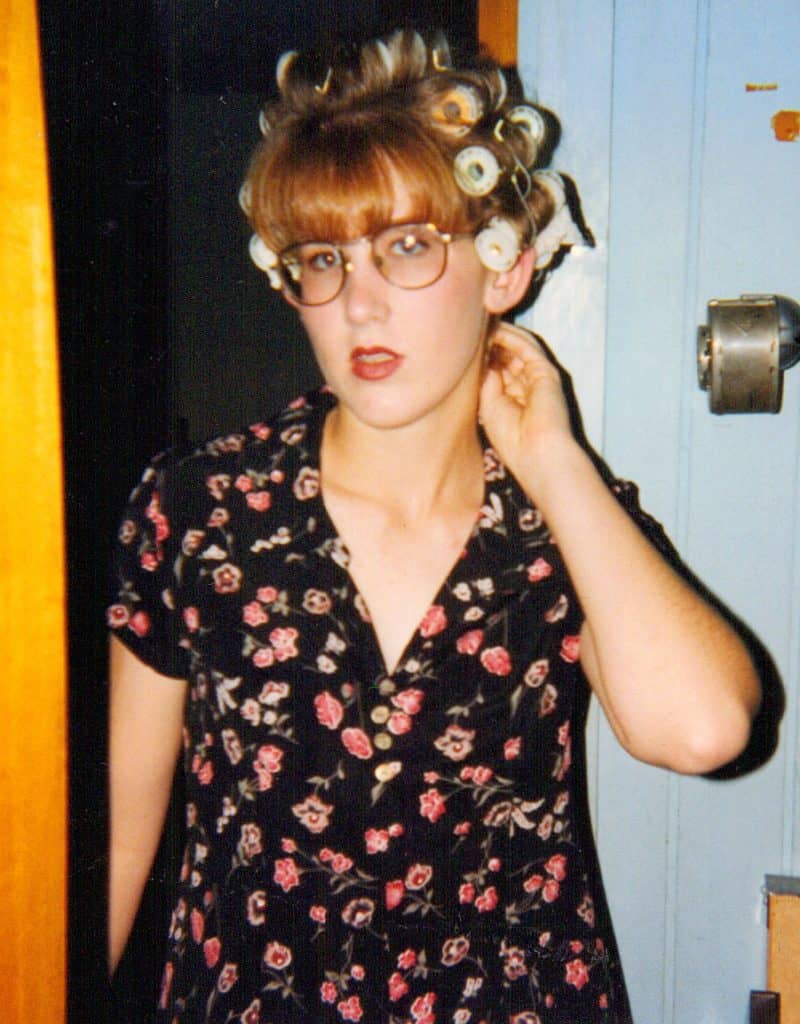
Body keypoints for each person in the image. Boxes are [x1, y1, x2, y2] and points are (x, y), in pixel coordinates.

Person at [107, 29, 760, 1024]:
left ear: (504, 271)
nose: (359, 304)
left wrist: (550, 458)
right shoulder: (200, 510)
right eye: (323, 260)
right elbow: (114, 836)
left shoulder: (563, 525)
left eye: (406, 247)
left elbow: (703, 729)